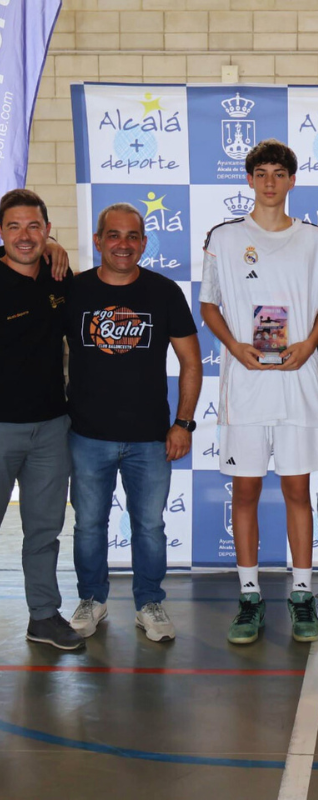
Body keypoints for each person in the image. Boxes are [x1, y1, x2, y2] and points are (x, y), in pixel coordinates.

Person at [200, 139, 318, 645]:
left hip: (299, 384)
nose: (271, 181)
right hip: (248, 386)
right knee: (247, 492)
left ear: (292, 181)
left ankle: (302, 594)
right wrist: (235, 346)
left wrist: (310, 346)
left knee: (299, 490)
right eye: (262, 173)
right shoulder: (226, 236)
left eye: (280, 173)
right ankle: (250, 595)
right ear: (250, 180)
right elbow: (209, 303)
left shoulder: (313, 239)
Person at [66, 203, 202, 642]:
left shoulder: (163, 292)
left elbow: (191, 361)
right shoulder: (74, 292)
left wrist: (183, 422)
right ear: (99, 240)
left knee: (149, 526)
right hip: (87, 435)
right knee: (88, 524)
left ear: (144, 243)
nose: (123, 244)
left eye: (132, 237)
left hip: (149, 437)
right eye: (114, 235)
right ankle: (92, 599)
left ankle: (149, 602)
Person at [0, 189, 83, 650]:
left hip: (53, 427)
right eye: (14, 226)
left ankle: (44, 615)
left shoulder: (60, 277)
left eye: (34, 226)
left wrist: (56, 254)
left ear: (48, 230)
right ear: (1, 233)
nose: (25, 236)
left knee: (44, 530)